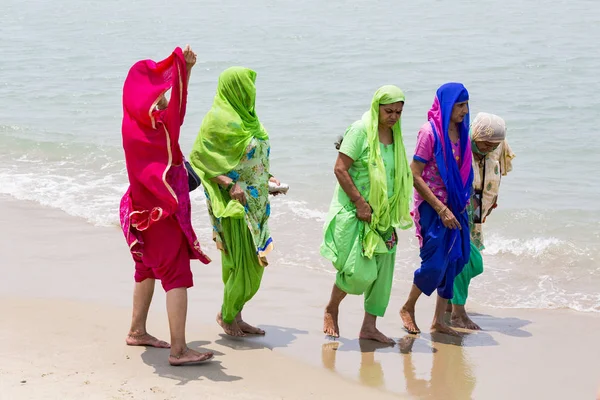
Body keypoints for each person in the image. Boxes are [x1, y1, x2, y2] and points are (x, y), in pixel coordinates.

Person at [120, 45, 214, 365]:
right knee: (176, 275)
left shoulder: (131, 125)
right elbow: (179, 110)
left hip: (137, 213)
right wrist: (185, 73)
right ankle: (179, 350)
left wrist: (178, 76)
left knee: (145, 269)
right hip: (159, 216)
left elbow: (172, 109)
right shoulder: (160, 129)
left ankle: (137, 331)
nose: (160, 96)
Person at [189, 66, 281, 337]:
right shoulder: (218, 119)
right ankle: (226, 316)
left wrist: (270, 177)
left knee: (255, 260)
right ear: (235, 87)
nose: (251, 91)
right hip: (234, 204)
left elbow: (255, 157)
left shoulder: (251, 120)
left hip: (257, 203)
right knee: (243, 263)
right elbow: (200, 158)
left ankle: (236, 315)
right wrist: (229, 184)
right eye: (246, 85)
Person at [321, 85, 413, 344]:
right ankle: (332, 307)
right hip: (356, 212)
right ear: (377, 107)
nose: (394, 116)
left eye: (398, 111)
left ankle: (369, 327)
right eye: (389, 111)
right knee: (359, 273)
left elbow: (398, 174)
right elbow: (340, 169)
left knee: (383, 275)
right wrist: (361, 204)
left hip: (383, 217)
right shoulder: (360, 131)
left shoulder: (395, 135)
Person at [399, 83, 473, 336]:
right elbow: (415, 174)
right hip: (434, 208)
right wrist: (441, 208)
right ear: (447, 105)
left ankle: (439, 321)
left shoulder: (463, 133)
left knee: (454, 261)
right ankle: (408, 307)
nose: (464, 110)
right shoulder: (429, 133)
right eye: (459, 105)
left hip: (457, 207)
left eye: (466, 104)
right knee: (434, 264)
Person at [449, 112, 515, 329]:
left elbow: (499, 173)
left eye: (493, 145)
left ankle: (451, 303)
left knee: (467, 263)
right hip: (456, 214)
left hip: (476, 216)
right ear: (475, 135)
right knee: (467, 262)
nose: (488, 148)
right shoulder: (460, 148)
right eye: (484, 144)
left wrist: (491, 203)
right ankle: (458, 312)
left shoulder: (497, 147)